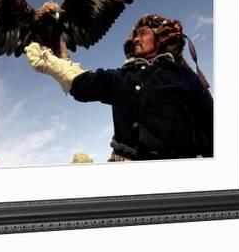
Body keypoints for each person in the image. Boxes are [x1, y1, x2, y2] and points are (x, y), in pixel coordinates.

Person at [25, 14, 213, 162]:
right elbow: (86, 84)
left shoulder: (182, 75)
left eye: (143, 33)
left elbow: (210, 124)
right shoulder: (123, 76)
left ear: (160, 37)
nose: (136, 39)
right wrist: (54, 65)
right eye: (134, 35)